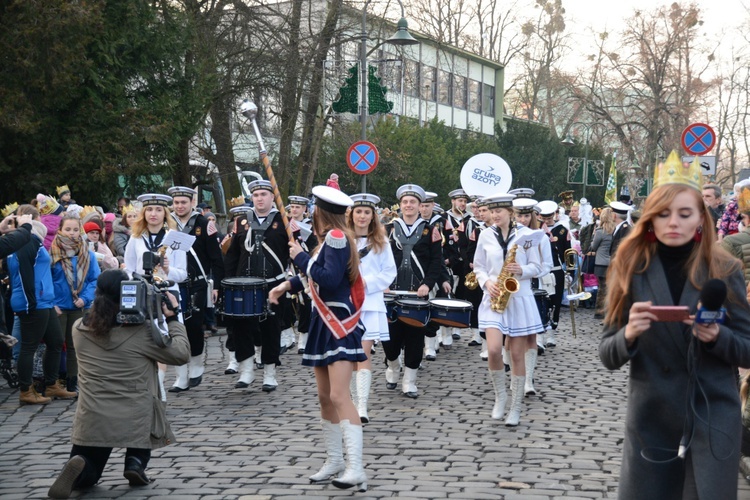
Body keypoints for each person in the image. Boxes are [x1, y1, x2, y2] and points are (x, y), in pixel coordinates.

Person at [599, 151, 750, 499]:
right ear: (649, 218)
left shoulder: (724, 269)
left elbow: (747, 347)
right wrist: (629, 333)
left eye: (685, 214)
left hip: (713, 417)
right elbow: (607, 354)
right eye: (663, 214)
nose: (673, 223)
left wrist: (717, 337)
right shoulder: (629, 267)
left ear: (701, 217)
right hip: (652, 419)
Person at [47, 270, 189, 499]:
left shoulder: (79, 329)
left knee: (89, 475)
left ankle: (81, 464)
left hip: (93, 415)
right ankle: (135, 463)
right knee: (147, 408)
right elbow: (180, 354)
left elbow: (104, 326)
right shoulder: (142, 333)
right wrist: (171, 319)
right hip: (134, 414)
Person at [269, 185, 367, 491]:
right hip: (322, 323)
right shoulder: (328, 242)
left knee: (339, 396)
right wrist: (286, 286)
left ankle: (356, 467)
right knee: (324, 397)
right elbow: (314, 277)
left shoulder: (337, 239)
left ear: (319, 212)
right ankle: (335, 459)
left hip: (337, 321)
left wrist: (299, 256)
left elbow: (329, 278)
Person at [474, 193, 543, 427]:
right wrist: (487, 282)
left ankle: (515, 407)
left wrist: (521, 269)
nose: (494, 215)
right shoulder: (485, 235)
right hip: (494, 297)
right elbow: (479, 267)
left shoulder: (526, 236)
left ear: (510, 213)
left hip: (519, 298)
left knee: (516, 354)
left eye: (499, 211)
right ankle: (500, 397)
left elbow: (538, 267)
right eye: (491, 211)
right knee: (493, 350)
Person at [6, 205, 77, 404]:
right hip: (33, 301)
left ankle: (51, 383)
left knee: (55, 341)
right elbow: (24, 275)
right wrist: (31, 301)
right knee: (29, 346)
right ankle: (26, 390)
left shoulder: (33, 242)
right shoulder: (26, 242)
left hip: (44, 300)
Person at [223, 180, 290, 392]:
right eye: (256, 195)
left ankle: (270, 373)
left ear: (273, 197)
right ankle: (247, 370)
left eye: (264, 194)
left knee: (271, 329)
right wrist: (227, 282)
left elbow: (294, 252)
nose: (259, 198)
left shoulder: (284, 222)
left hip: (273, 285)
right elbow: (233, 255)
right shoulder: (242, 221)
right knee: (241, 328)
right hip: (245, 286)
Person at [383, 184, 444, 398]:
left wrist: (427, 283)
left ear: (420, 206)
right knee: (390, 340)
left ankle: (409, 381)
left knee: (415, 338)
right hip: (391, 293)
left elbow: (436, 262)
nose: (409, 205)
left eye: (413, 202)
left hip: (418, 294)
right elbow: (379, 258)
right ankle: (392, 365)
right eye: (405, 202)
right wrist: (383, 283)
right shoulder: (388, 229)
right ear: (400, 205)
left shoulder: (431, 230)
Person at [124, 194, 187, 397]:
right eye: (149, 209)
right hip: (143, 293)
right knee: (145, 340)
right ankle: (151, 390)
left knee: (165, 339)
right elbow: (129, 268)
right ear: (144, 213)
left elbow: (183, 274)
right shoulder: (135, 238)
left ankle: (160, 390)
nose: (153, 214)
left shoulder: (175, 239)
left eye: (158, 210)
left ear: (165, 213)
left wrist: (168, 271)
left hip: (168, 293)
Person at [167, 186, 224, 392]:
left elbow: (216, 259)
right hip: (172, 283)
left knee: (193, 327)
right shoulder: (167, 223)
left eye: (184, 202)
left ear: (192, 202)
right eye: (176, 202)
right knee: (175, 329)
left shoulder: (204, 224)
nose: (180, 206)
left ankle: (197, 363)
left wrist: (216, 285)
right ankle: (181, 375)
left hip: (197, 283)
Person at [347, 193, 397, 423]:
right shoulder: (341, 239)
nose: (362, 216)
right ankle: (346, 400)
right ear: (352, 214)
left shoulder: (381, 242)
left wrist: (366, 282)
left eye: (367, 212)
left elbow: (389, 272)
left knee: (362, 352)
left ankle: (362, 406)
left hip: (369, 302)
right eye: (359, 211)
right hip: (344, 304)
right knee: (346, 356)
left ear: (373, 216)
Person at [50, 215, 101, 393]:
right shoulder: (52, 252)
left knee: (75, 345)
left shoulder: (87, 253)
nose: (72, 234)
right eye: (68, 230)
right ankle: (52, 381)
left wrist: (85, 298)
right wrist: (52, 303)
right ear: (60, 230)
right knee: (55, 344)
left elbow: (94, 279)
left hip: (79, 306)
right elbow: (46, 280)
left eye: (75, 230)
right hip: (58, 307)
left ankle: (73, 380)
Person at [287, 195, 317, 353]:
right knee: (287, 304)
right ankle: (287, 334)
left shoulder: (311, 226)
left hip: (305, 267)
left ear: (304, 209)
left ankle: (303, 337)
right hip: (289, 267)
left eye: (298, 207)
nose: (294, 210)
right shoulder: (285, 225)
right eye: (292, 207)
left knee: (305, 304)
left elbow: (314, 247)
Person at [537, 200, 569, 345]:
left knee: (555, 301)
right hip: (539, 271)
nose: (546, 220)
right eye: (543, 217)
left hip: (556, 270)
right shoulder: (535, 230)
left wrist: (569, 270)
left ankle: (551, 334)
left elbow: (567, 252)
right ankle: (540, 335)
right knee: (542, 302)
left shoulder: (562, 230)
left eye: (549, 217)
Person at [590, 207, 615, 319]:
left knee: (602, 288)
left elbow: (593, 247)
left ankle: (600, 311)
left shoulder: (600, 232)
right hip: (613, 262)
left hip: (601, 263)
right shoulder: (616, 230)